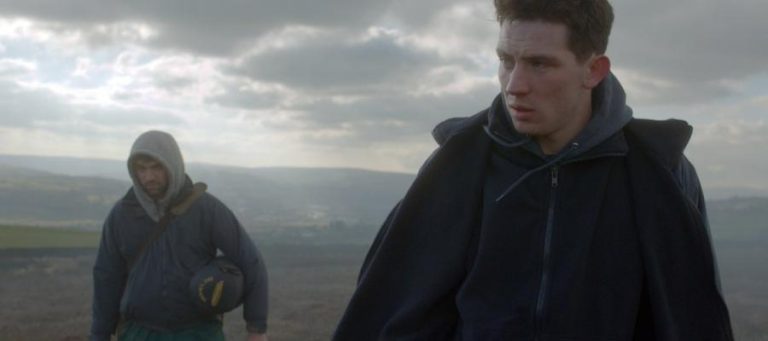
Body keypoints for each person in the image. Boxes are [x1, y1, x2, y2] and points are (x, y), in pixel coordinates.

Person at [333, 0, 733, 339]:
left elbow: (691, 313)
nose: (514, 85)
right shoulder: (456, 165)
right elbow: (389, 310)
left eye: (540, 64)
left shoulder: (658, 171)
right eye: (506, 61)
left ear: (593, 70)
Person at [90, 130, 268, 341]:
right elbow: (106, 277)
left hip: (198, 332)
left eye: (156, 167)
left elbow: (251, 261)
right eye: (142, 169)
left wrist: (257, 330)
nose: (149, 177)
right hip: (139, 333)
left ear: (172, 165)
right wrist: (99, 335)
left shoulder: (206, 210)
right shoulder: (121, 215)